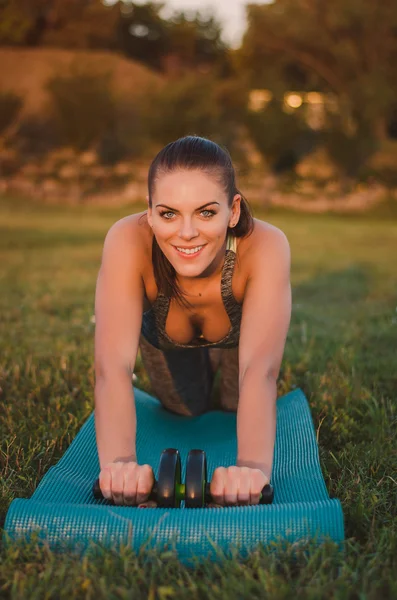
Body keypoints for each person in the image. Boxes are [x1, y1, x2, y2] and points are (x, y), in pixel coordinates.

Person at [94, 135, 291, 508]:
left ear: (232, 211)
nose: (186, 233)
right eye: (168, 213)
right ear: (150, 212)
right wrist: (119, 464)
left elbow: (260, 371)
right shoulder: (126, 239)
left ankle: (220, 355)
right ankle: (205, 360)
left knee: (235, 401)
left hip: (239, 342)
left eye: (205, 212)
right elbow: (112, 368)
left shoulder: (266, 245)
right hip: (167, 340)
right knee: (186, 408)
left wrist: (251, 470)